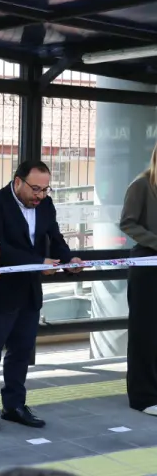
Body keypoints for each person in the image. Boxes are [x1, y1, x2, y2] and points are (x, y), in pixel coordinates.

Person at [0, 161, 82, 432]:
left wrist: (69, 259)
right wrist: (38, 261)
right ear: (18, 181)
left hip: (30, 290)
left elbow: (54, 237)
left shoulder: (45, 205)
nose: (40, 195)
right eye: (35, 189)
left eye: (45, 190)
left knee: (21, 351)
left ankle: (14, 405)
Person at [119, 142, 157, 416]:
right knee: (145, 333)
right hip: (147, 266)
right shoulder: (142, 185)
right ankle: (143, 397)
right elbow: (128, 223)